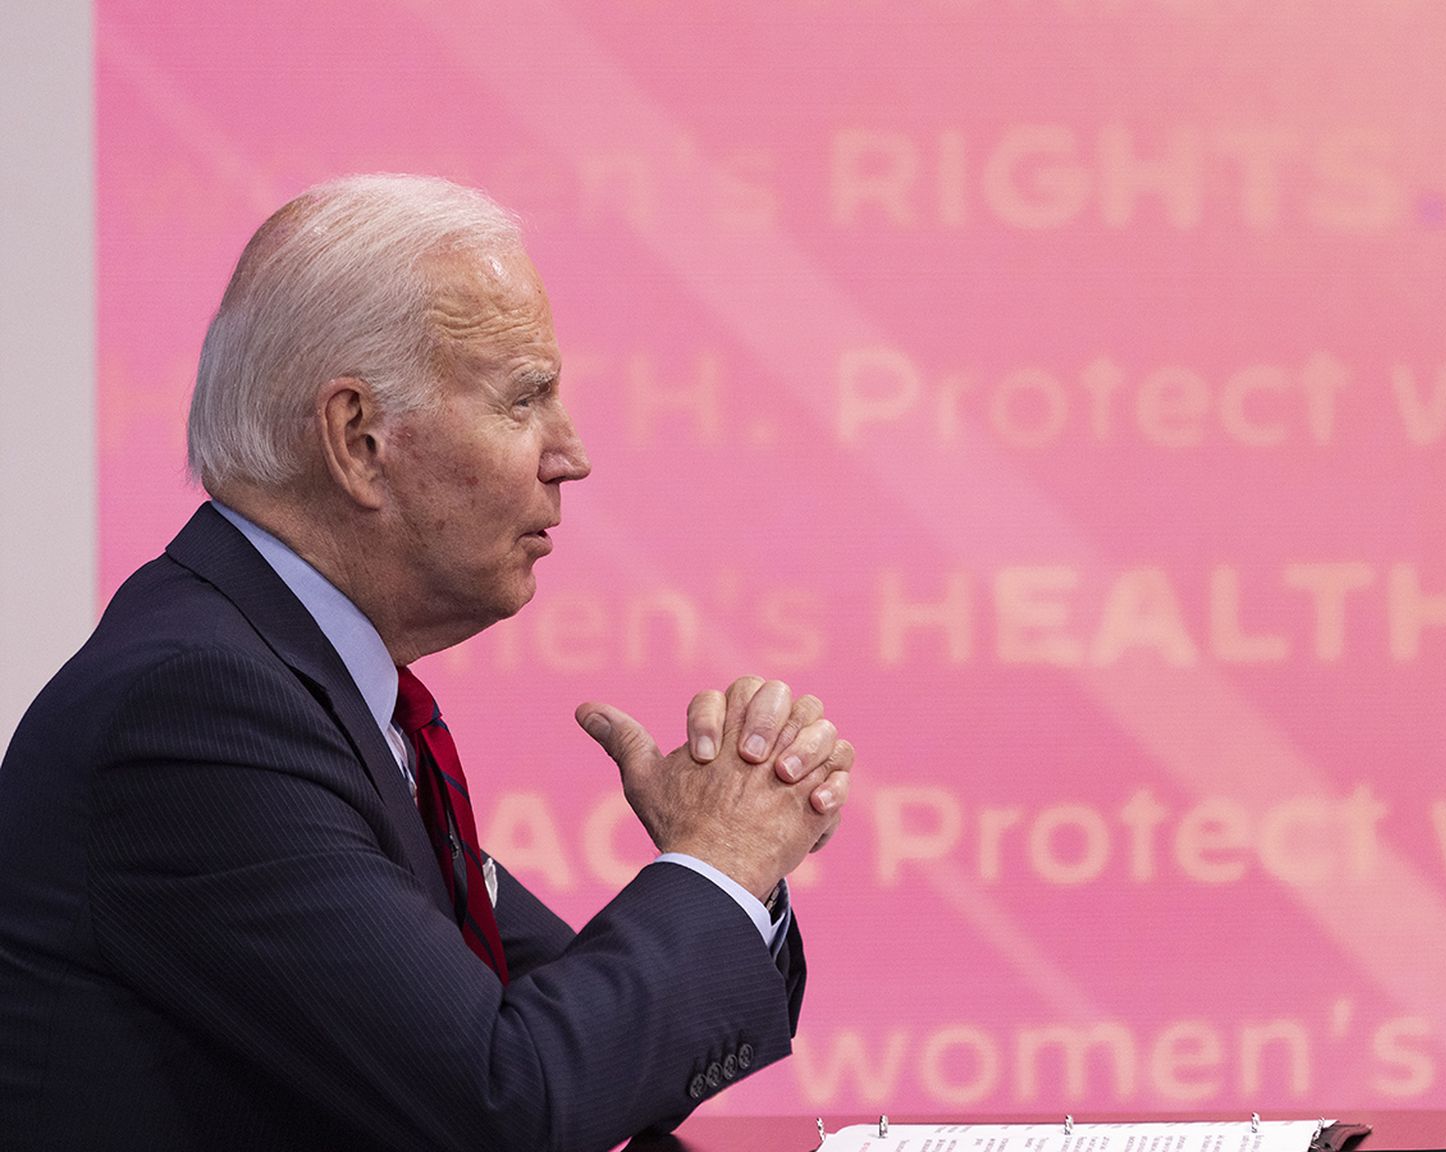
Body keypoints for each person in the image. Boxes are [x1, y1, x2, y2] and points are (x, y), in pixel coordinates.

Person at [0, 174, 853, 1151]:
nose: (570, 455)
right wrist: (720, 858)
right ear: (359, 438)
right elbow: (511, 1098)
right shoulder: (196, 714)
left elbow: (599, 1054)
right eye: (526, 398)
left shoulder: (302, 684)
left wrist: (741, 865)